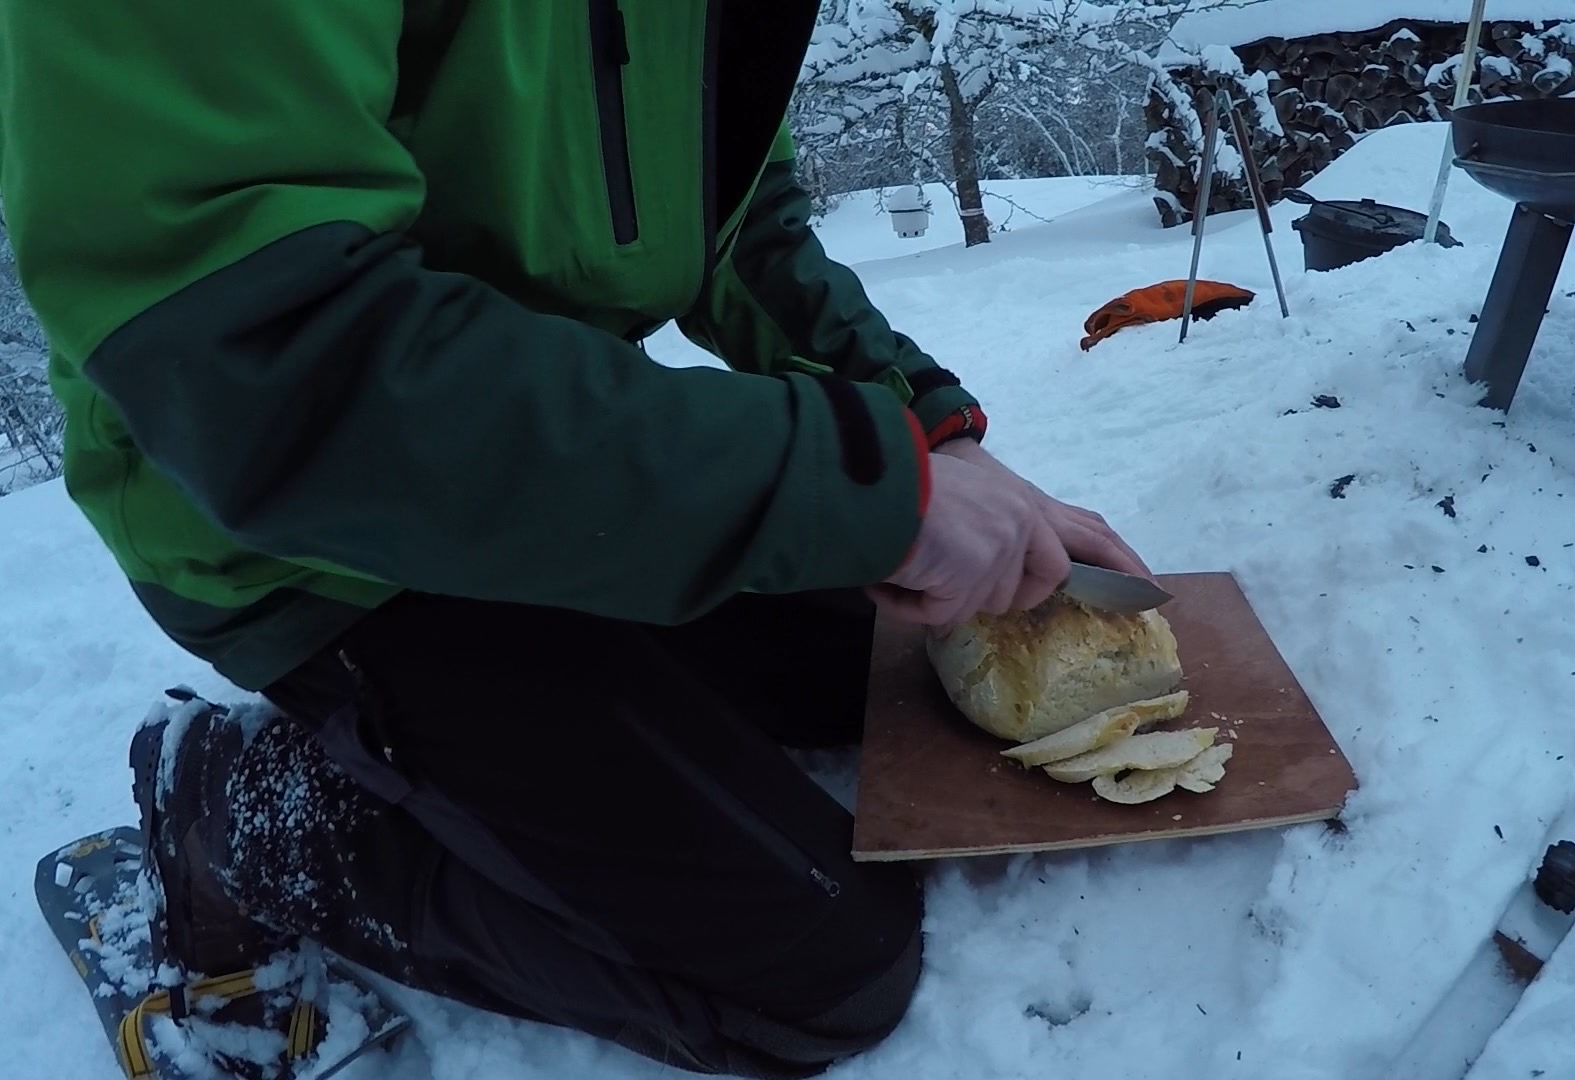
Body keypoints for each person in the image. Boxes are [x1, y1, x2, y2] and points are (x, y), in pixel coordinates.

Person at [0, 2, 1156, 1078]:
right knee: (820, 967)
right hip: (309, 537)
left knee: (884, 658)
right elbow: (273, 364)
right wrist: (866, 491)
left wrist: (929, 433)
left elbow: (741, 221)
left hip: (550, 469)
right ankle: (235, 805)